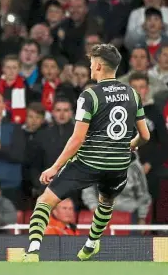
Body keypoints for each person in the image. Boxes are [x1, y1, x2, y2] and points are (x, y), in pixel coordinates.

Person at [23, 44, 150, 262]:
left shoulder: (89, 95)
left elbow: (77, 139)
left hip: (90, 162)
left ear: (99, 65)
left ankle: (33, 251)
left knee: (45, 201)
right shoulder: (133, 94)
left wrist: (55, 167)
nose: (91, 66)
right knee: (106, 202)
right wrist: (131, 145)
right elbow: (145, 136)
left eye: (92, 62)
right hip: (119, 166)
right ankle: (92, 243)